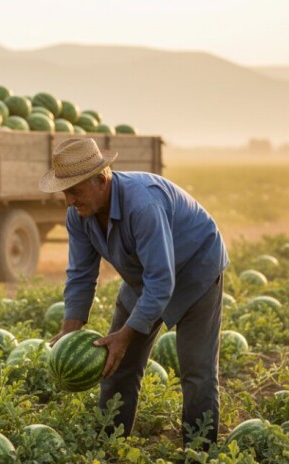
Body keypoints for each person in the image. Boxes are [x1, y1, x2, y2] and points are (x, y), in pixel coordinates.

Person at [39, 137, 229, 446]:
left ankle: (200, 455)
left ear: (101, 180)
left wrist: (125, 336)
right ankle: (110, 442)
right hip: (144, 277)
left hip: (196, 268)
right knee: (117, 365)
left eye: (74, 191)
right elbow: (81, 274)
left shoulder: (143, 205)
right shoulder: (79, 215)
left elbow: (161, 282)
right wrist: (70, 330)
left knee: (197, 370)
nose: (69, 201)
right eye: (64, 192)